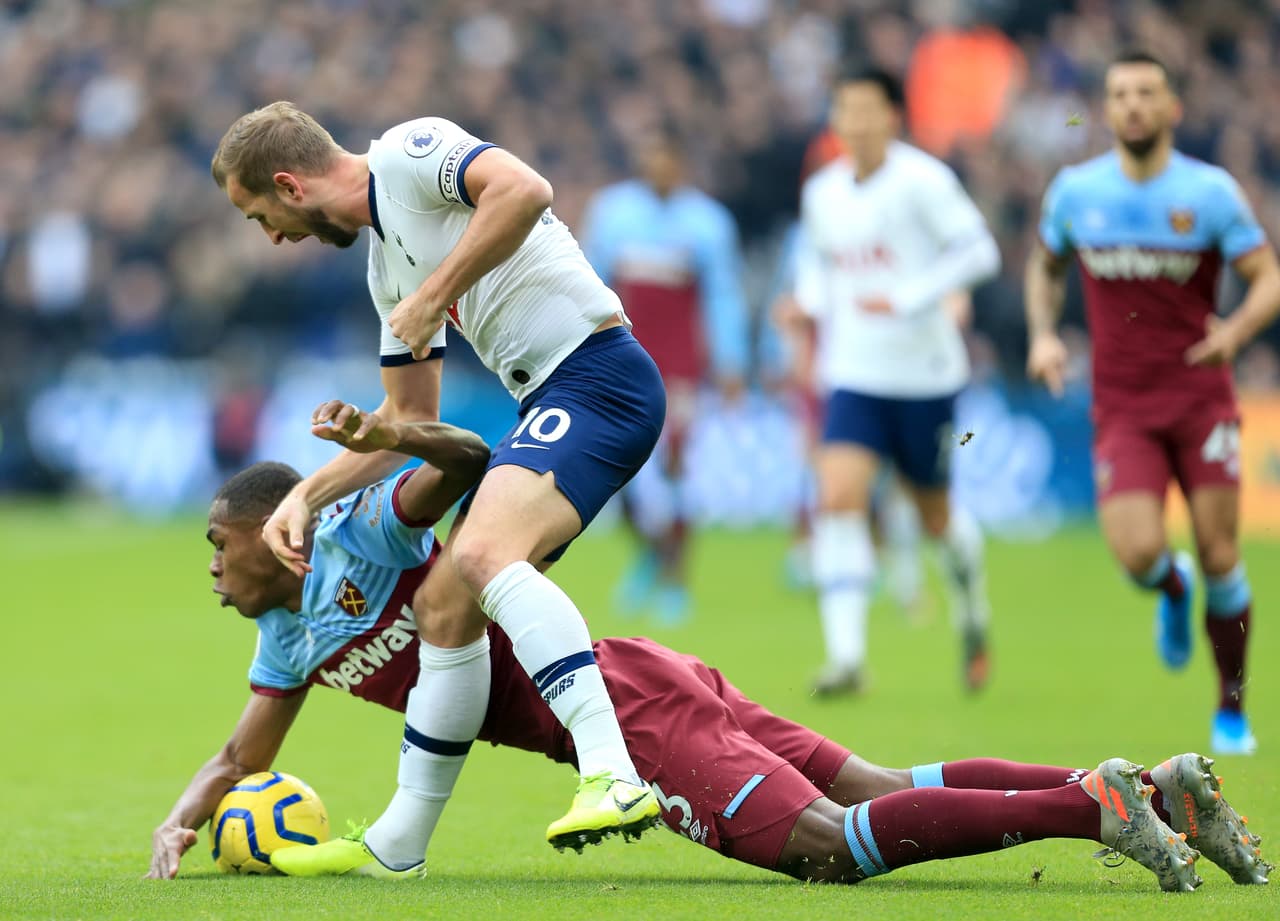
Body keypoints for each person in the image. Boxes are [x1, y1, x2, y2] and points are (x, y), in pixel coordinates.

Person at [146, 409, 1271, 892]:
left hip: (625, 714)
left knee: (827, 850)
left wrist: (391, 435)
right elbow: (246, 748)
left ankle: (1096, 812)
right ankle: (1151, 788)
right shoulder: (287, 636)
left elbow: (466, 451)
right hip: (641, 675)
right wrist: (187, 812)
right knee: (874, 788)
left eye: (215, 545)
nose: (208, 568)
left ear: (271, 533)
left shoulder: (365, 530)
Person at [210, 101, 667, 871]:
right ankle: (399, 844)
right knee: (443, 605)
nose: (272, 238)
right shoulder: (385, 269)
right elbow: (406, 422)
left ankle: (614, 775)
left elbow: (525, 190)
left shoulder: (411, 153)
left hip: (599, 376)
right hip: (552, 397)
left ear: (288, 185)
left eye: (260, 216)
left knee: (484, 552)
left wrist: (434, 295)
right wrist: (304, 496)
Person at [1025, 50, 1280, 755]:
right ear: (1106, 110)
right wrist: (1044, 335)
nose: (1133, 105)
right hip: (1124, 405)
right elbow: (1043, 268)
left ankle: (1230, 710)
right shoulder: (1077, 192)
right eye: (1119, 94)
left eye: (1146, 93)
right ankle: (1172, 586)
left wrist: (1236, 330)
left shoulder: (1209, 193)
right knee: (1139, 552)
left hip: (1201, 398)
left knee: (1224, 551)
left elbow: (1267, 278)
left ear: (1172, 108)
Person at [775, 67, 1000, 697]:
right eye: (844, 109)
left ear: (893, 116)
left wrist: (910, 296)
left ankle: (974, 613)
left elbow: (980, 251)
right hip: (853, 373)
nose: (855, 122)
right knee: (838, 498)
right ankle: (846, 660)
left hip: (926, 376)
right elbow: (821, 273)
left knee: (935, 516)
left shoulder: (924, 181)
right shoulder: (823, 192)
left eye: (867, 109)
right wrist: (804, 307)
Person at [580, 127, 750, 624]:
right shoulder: (613, 212)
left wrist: (732, 360)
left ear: (680, 163)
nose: (658, 166)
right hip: (622, 356)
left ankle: (677, 581)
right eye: (650, 156)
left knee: (675, 464)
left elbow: (723, 295)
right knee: (615, 467)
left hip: (678, 363)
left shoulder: (707, 222)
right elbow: (588, 281)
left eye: (666, 158)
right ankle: (652, 554)